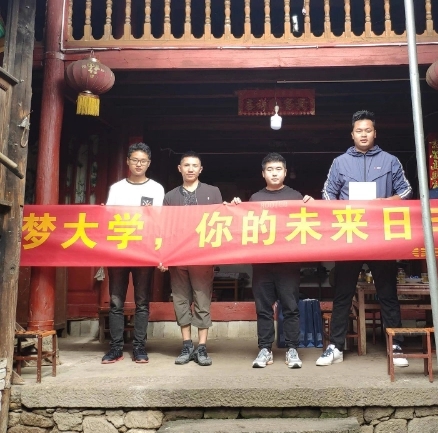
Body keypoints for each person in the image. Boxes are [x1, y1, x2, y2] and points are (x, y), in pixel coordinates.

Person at [316, 110, 412, 367]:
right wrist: (343, 208)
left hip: (382, 236)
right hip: (351, 235)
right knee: (343, 293)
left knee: (388, 292)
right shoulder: (340, 162)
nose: (363, 135)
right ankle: (335, 347)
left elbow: (406, 191)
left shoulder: (390, 160)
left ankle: (396, 344)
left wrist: (385, 201)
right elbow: (327, 193)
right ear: (352, 134)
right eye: (359, 131)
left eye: (368, 130)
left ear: (374, 133)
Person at [232, 153, 313, 369]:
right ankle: (265, 349)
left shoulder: (296, 197)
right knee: (263, 308)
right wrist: (235, 207)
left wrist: (312, 205)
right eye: (270, 170)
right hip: (262, 264)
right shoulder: (255, 199)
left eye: (278, 169)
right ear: (263, 173)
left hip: (288, 263)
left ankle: (292, 349)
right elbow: (243, 224)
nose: (274, 173)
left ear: (285, 172)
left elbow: (309, 223)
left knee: (291, 307)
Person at [102, 143, 164, 364]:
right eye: (135, 160)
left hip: (143, 251)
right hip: (118, 251)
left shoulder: (156, 189)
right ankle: (115, 347)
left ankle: (139, 347)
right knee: (116, 301)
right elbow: (108, 217)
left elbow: (158, 221)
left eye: (143, 161)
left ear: (149, 163)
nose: (139, 164)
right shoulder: (117, 188)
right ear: (128, 162)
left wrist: (158, 252)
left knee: (142, 301)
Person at [162, 151, 222, 367]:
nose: (190, 169)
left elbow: (221, 221)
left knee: (202, 299)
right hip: (178, 255)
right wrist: (164, 256)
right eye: (186, 165)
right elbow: (165, 228)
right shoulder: (170, 196)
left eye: (194, 165)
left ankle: (202, 346)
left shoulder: (213, 192)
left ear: (200, 169)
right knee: (180, 299)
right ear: (180, 169)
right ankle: (187, 345)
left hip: (202, 255)